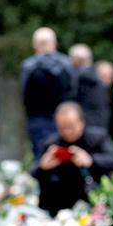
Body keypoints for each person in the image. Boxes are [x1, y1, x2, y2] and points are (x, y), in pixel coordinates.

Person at [32, 102, 113, 216]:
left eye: (71, 126)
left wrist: (90, 160)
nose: (67, 132)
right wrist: (43, 166)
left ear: (81, 122)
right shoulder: (51, 143)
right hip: (58, 204)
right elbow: (33, 171)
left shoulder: (98, 138)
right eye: (63, 128)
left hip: (92, 200)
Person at [21, 27, 75, 155]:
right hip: (65, 118)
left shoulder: (28, 66)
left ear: (34, 44)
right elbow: (73, 90)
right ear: (55, 43)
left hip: (37, 118)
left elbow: (24, 94)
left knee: (41, 157)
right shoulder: (66, 64)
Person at [69, 43, 109, 130]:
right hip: (101, 125)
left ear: (74, 60)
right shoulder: (98, 77)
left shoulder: (75, 79)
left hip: (84, 128)